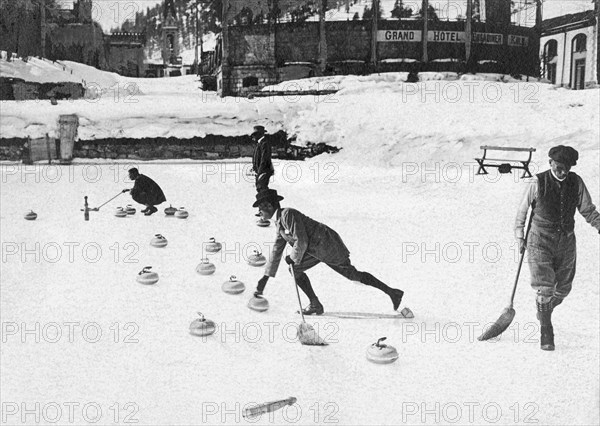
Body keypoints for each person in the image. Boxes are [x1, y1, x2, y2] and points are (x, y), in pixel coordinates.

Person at [252, 189, 405, 315]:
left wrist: (292, 258)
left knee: (353, 275)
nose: (260, 214)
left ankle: (392, 293)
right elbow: (277, 251)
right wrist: (264, 279)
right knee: (296, 269)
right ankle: (315, 304)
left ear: (269, 206)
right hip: (316, 250)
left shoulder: (287, 214)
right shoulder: (279, 224)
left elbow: (301, 240)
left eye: (260, 210)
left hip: (328, 244)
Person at [514, 145, 600, 351]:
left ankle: (544, 310)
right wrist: (519, 235)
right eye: (559, 167)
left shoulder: (576, 182)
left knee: (562, 288)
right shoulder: (537, 181)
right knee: (544, 286)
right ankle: (546, 330)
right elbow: (522, 211)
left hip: (566, 241)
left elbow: (587, 209)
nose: (563, 172)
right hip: (539, 240)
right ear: (551, 162)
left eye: (567, 168)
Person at [251, 125, 274, 193]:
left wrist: (260, 172)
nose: (253, 137)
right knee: (259, 188)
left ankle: (267, 203)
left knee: (262, 188)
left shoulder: (265, 143)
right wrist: (254, 168)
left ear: (260, 134)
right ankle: (266, 203)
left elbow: (264, 159)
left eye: (255, 134)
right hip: (260, 171)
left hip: (264, 170)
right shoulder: (259, 144)